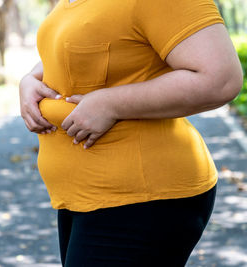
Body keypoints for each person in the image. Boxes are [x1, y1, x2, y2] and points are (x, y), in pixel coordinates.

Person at [19, 0, 243, 266]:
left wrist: (111, 103)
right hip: (86, 197)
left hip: (141, 198)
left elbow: (221, 79)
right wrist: (31, 79)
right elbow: (88, 45)